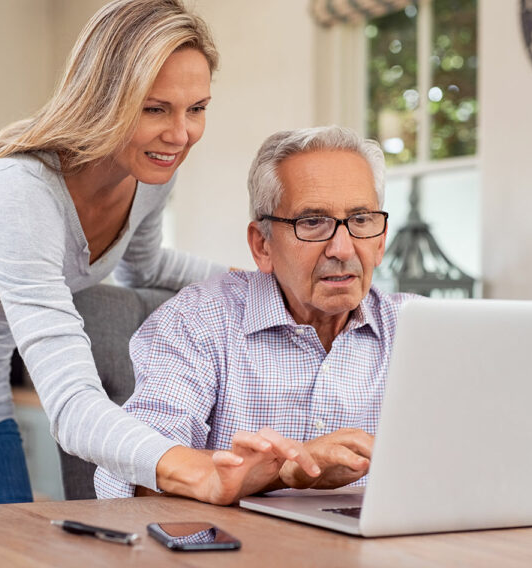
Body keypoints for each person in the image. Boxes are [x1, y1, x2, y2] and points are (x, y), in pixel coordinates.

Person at [0, 0, 319, 513]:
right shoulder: (17, 193)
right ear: (104, 98)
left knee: (2, 553)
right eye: (155, 108)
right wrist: (192, 467)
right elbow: (73, 406)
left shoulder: (151, 176)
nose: (181, 134)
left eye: (198, 108)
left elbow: (149, 265)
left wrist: (270, 280)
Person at [95, 125, 419, 499]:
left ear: (381, 241)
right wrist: (281, 473)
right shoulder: (196, 321)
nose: (343, 249)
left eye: (361, 220)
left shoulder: (420, 330)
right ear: (262, 245)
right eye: (312, 222)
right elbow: (133, 478)